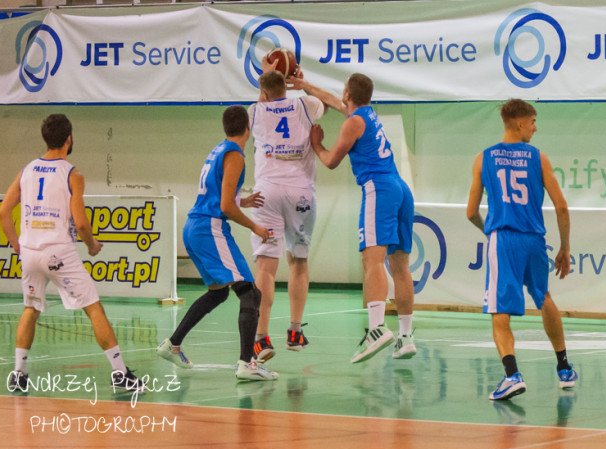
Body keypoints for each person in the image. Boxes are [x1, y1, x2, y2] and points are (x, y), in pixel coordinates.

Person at [0, 114, 145, 394]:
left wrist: (17, 244)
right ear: (69, 139)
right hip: (58, 252)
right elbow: (81, 223)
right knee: (93, 308)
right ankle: (120, 374)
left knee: (30, 309)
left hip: (29, 252)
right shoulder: (72, 174)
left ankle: (18, 373)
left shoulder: (26, 171)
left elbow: (3, 213)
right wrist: (91, 245)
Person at [156, 106, 279, 381]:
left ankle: (173, 344)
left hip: (195, 226)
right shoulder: (235, 154)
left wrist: (241, 201)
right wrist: (255, 226)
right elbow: (225, 206)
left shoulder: (218, 150)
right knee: (250, 293)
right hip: (210, 228)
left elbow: (220, 196)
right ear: (248, 128)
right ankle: (247, 363)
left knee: (219, 292)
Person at [465, 99, 575, 401]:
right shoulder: (539, 158)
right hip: (534, 239)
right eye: (533, 121)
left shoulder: (483, 159)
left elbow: (471, 211)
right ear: (518, 123)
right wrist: (565, 247)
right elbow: (562, 206)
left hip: (505, 239)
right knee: (544, 297)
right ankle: (564, 368)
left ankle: (512, 375)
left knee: (500, 310)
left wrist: (491, 230)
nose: (535, 127)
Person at [309, 73, 416, 363]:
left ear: (348, 94)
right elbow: (331, 100)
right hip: (400, 188)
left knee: (372, 259)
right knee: (400, 265)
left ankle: (377, 328)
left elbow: (331, 161)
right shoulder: (367, 114)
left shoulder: (352, 122)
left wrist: (317, 143)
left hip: (378, 188)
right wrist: (304, 85)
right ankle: (406, 337)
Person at [246, 64, 344, 362]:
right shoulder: (306, 103)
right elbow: (330, 102)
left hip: (267, 193)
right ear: (288, 86)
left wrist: (268, 79)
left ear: (263, 92)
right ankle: (295, 331)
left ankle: (261, 339)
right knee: (299, 261)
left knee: (266, 266)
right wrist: (301, 83)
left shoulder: (254, 111)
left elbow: (264, 104)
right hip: (300, 191)